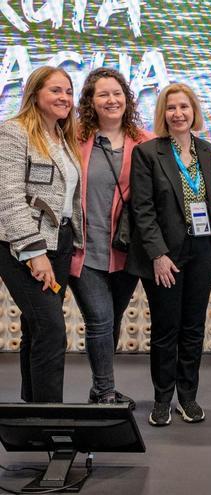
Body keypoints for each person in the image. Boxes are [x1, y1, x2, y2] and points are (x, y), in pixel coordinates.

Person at [126, 83, 211, 426]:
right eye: (171, 108)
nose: (178, 114)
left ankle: (188, 397)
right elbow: (143, 210)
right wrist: (158, 254)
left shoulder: (208, 151)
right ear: (163, 114)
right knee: (167, 328)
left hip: (202, 252)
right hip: (165, 256)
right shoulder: (148, 152)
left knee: (193, 328)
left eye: (184, 107)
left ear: (194, 111)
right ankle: (163, 398)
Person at [69, 67, 153, 408]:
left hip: (125, 252)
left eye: (117, 93)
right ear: (90, 101)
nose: (111, 100)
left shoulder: (144, 142)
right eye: (102, 94)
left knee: (112, 321)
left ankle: (100, 388)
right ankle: (104, 392)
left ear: (126, 98)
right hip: (83, 249)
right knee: (99, 320)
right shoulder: (73, 139)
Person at [0, 66, 83, 403]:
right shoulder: (13, 132)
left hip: (59, 244)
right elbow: (7, 196)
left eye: (68, 91)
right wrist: (34, 252)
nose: (64, 98)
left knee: (37, 329)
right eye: (55, 91)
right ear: (35, 94)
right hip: (23, 246)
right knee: (51, 329)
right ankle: (50, 417)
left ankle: (32, 413)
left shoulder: (62, 137)